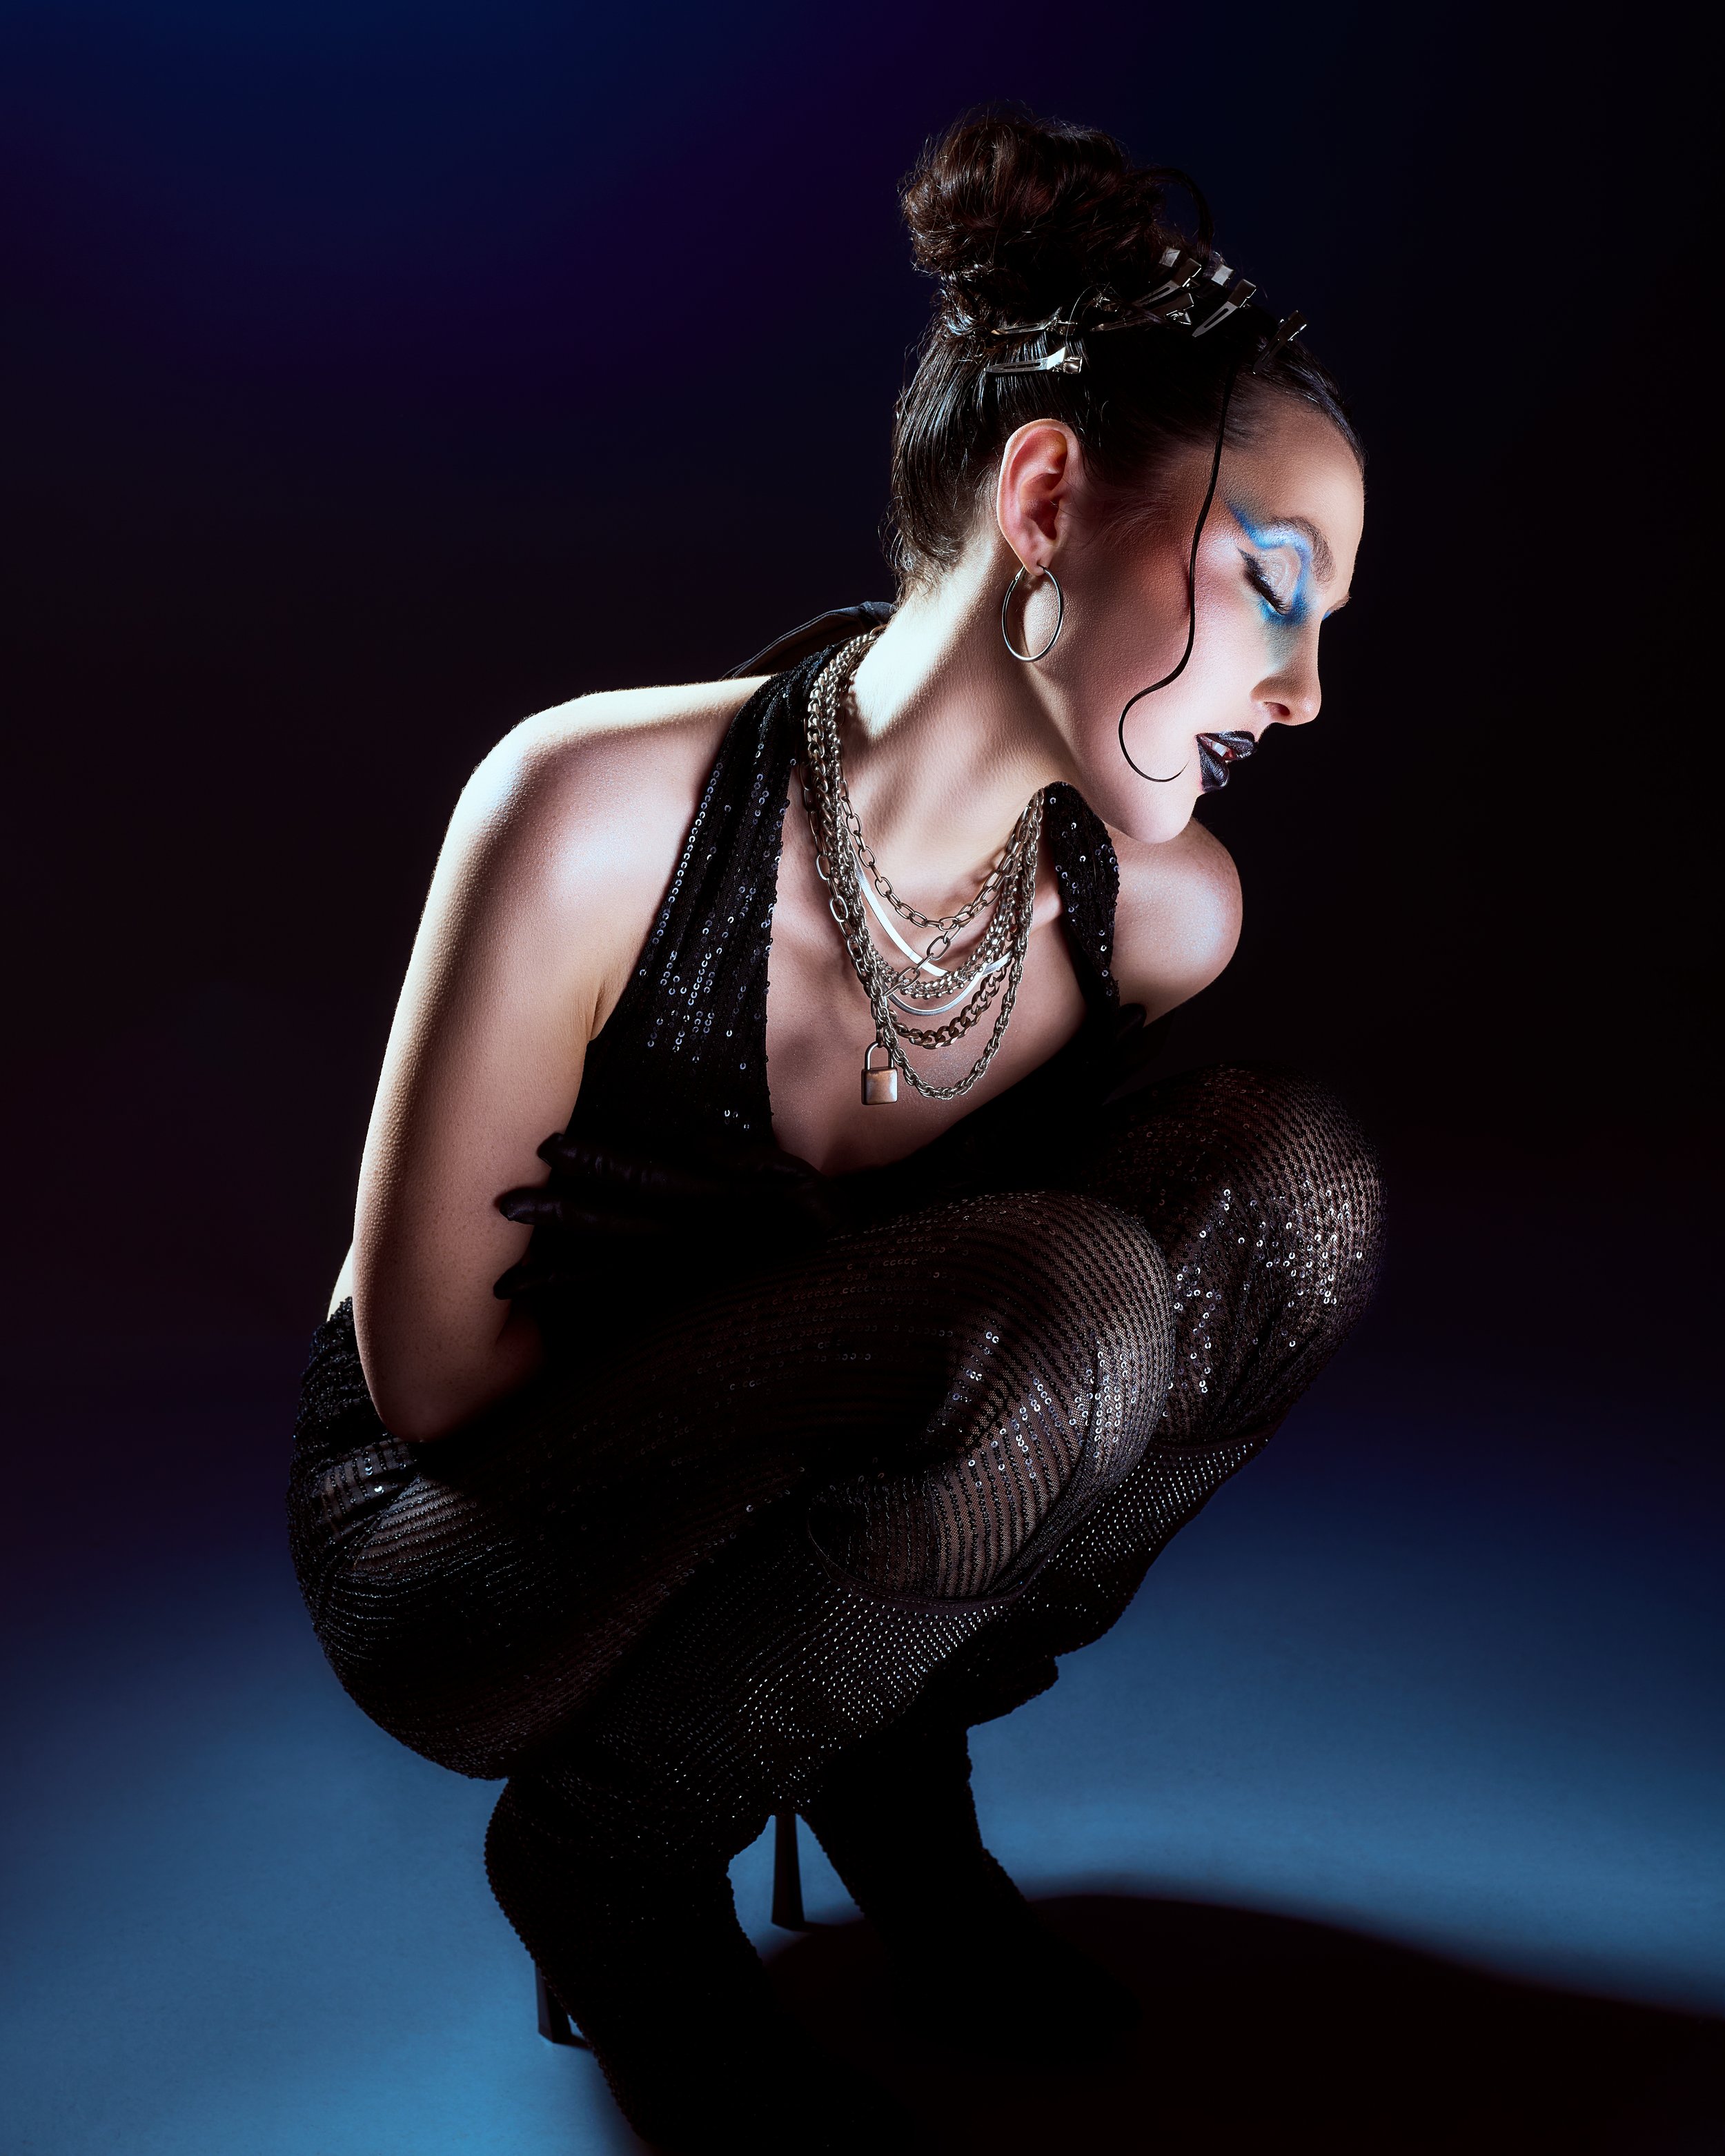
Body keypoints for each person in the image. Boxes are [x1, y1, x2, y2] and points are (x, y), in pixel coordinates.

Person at [288, 107, 1383, 2154]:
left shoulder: (1161, 919)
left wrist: (895, 1523)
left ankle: (875, 1747)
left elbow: (1019, 1372)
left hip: (840, 1489)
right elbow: (435, 1385)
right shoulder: (594, 810)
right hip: (479, 1545)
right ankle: (612, 1863)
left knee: (1292, 1196)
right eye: (1272, 589)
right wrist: (883, 1367)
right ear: (1044, 497)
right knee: (1057, 1299)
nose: (1304, 690)